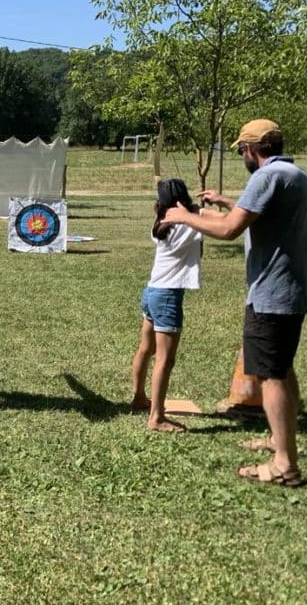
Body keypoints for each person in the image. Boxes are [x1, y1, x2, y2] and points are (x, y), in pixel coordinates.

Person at [165, 119, 307, 486]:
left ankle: (284, 465)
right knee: (282, 368)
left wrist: (184, 216)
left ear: (250, 149)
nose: (240, 157)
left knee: (271, 376)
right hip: (294, 291)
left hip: (272, 294)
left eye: (240, 151)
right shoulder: (296, 175)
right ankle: (279, 440)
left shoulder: (265, 177)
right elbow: (255, 217)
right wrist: (224, 203)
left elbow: (230, 229)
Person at [130, 178, 203, 432]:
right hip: (168, 296)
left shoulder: (160, 221)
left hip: (151, 292)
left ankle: (139, 398)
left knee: (145, 349)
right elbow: (217, 224)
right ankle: (156, 417)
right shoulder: (188, 222)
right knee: (165, 359)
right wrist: (199, 208)